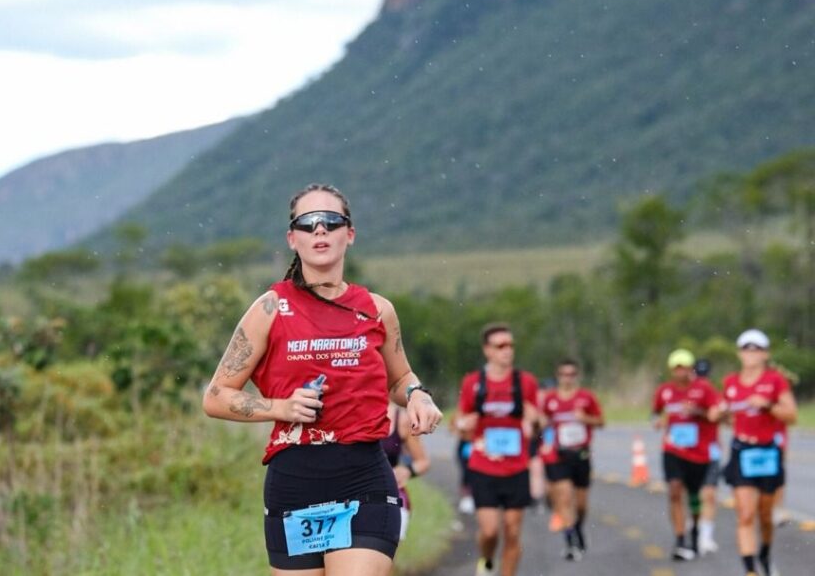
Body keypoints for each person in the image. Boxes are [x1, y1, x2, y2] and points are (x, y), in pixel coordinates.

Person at [202, 183, 443, 575]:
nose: (319, 230)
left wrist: (418, 395)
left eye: (331, 221)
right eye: (307, 223)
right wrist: (281, 407)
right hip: (295, 484)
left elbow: (400, 379)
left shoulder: (377, 310)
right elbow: (215, 396)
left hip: (364, 480)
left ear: (349, 234)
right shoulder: (270, 308)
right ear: (292, 238)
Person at [455, 322, 539, 576]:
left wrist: (534, 420)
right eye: (501, 346)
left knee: (512, 531)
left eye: (510, 345)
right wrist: (463, 424)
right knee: (490, 531)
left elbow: (537, 426)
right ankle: (487, 559)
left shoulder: (525, 382)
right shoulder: (473, 383)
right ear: (487, 351)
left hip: (516, 467)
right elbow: (459, 424)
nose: (507, 350)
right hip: (483, 466)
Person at [721, 329, 797, 576]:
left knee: (765, 514)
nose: (751, 354)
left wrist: (768, 405)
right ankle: (750, 569)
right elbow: (724, 415)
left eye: (756, 349)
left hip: (767, 453)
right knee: (745, 513)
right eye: (746, 348)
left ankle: (764, 552)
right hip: (742, 451)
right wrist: (719, 414)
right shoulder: (730, 382)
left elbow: (792, 415)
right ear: (739, 353)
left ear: (765, 354)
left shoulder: (775, 381)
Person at [651, 348, 721, 561]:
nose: (680, 372)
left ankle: (696, 530)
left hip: (699, 453)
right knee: (674, 491)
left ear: (691, 368)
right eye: (676, 368)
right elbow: (656, 411)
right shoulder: (665, 391)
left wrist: (697, 412)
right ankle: (680, 540)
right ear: (672, 370)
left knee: (695, 497)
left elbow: (716, 415)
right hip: (673, 450)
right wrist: (658, 420)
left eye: (684, 367)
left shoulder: (704, 389)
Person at [540, 359, 604, 561]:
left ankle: (578, 528)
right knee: (565, 497)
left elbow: (601, 421)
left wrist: (586, 419)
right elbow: (541, 424)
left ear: (576, 376)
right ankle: (570, 541)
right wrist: (543, 437)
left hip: (581, 455)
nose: (567, 378)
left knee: (581, 504)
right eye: (563, 374)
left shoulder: (586, 397)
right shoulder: (550, 399)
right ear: (558, 376)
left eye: (571, 374)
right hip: (560, 455)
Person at [381, 402, 431, 541]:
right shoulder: (350, 413)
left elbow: (423, 462)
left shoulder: (401, 419)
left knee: (383, 557)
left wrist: (407, 470)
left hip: (390, 495)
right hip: (353, 495)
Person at [693, 358, 722, 555]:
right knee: (692, 495)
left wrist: (701, 411)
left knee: (709, 494)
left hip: (710, 450)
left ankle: (706, 536)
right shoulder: (686, 392)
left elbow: (716, 415)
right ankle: (691, 529)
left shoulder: (712, 392)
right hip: (688, 452)